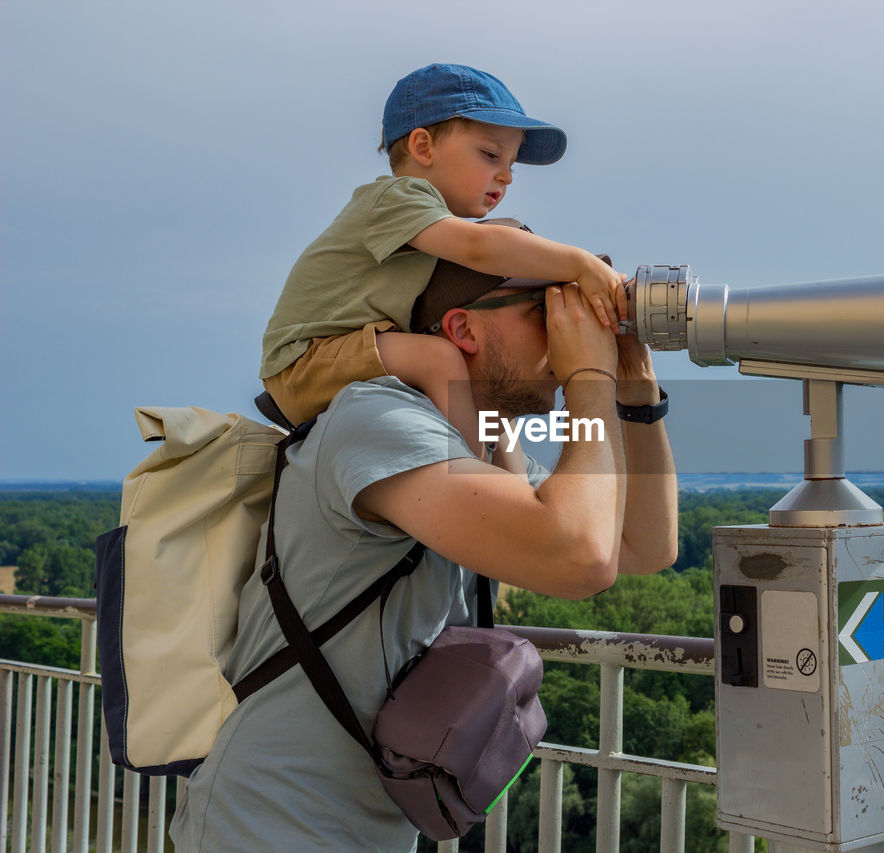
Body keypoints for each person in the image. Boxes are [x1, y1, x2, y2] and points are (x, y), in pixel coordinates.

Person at [171, 222, 678, 852]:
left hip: (364, 826)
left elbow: (642, 545)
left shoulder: (484, 443)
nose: (568, 334)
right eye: (547, 311)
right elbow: (581, 558)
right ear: (462, 329)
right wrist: (589, 383)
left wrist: (634, 387)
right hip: (270, 819)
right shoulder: (376, 419)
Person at [259, 62, 626, 452]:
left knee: (479, 391)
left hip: (341, 353)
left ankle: (514, 489)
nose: (507, 177)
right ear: (423, 147)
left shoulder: (423, 226)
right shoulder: (396, 198)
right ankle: (475, 478)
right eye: (489, 155)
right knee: (438, 357)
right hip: (303, 361)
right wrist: (581, 265)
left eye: (511, 165)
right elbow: (480, 249)